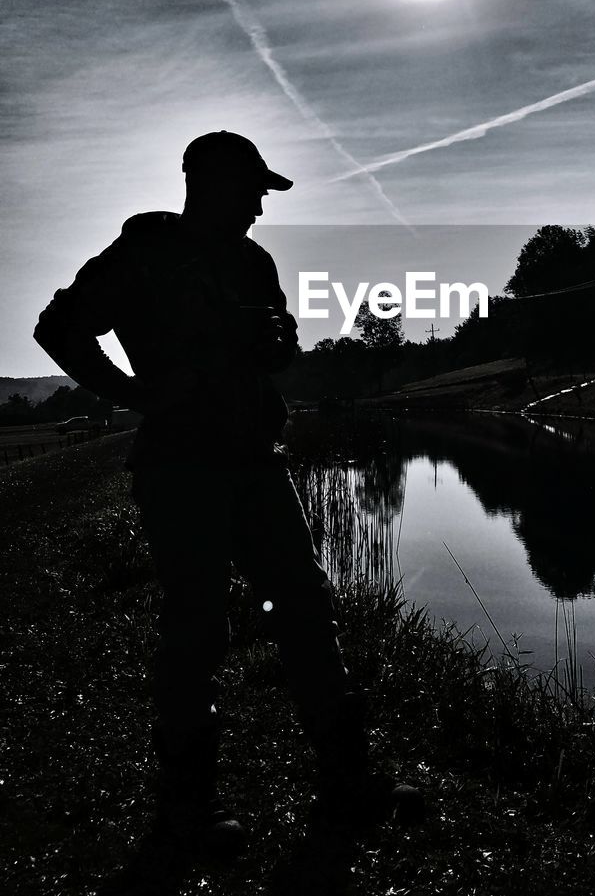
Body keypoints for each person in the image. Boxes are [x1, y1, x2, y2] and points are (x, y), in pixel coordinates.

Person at [34, 131, 421, 857]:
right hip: (181, 467)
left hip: (255, 460)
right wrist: (135, 393)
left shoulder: (254, 262)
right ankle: (188, 810)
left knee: (306, 606)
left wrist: (279, 341)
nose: (258, 209)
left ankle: (349, 780)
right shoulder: (142, 255)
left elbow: (277, 349)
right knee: (197, 628)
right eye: (252, 193)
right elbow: (58, 328)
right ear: (211, 185)